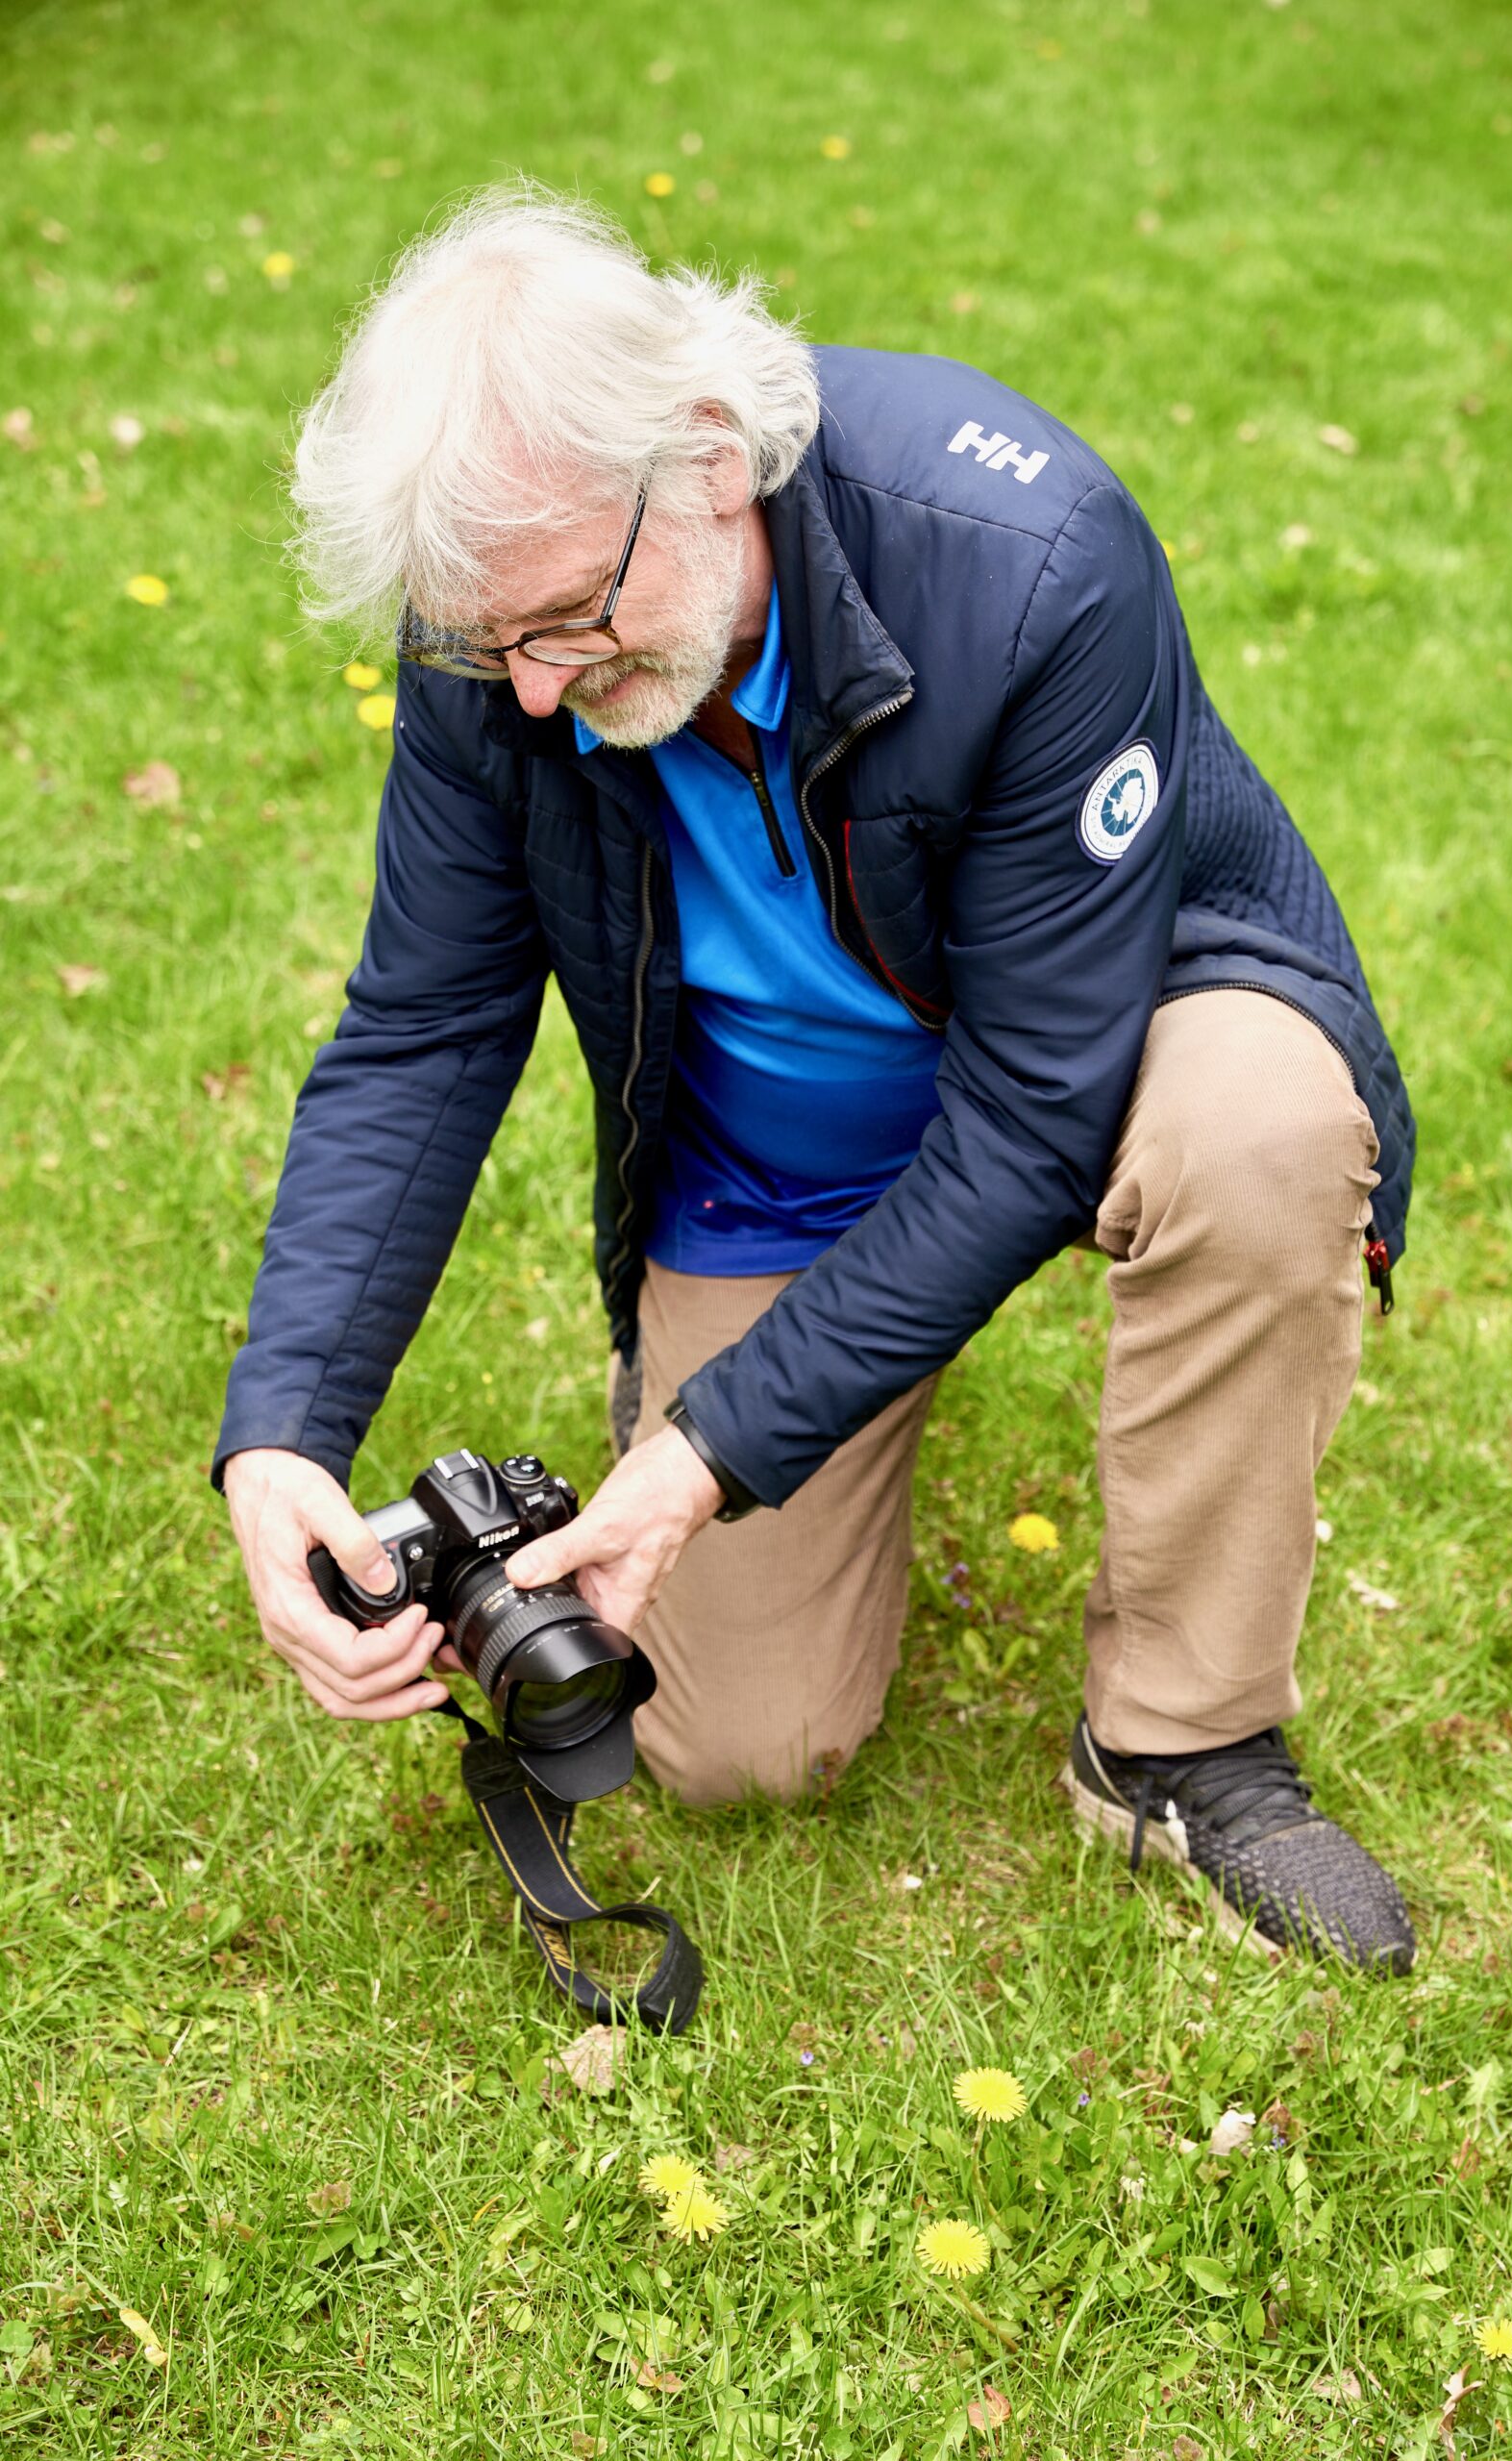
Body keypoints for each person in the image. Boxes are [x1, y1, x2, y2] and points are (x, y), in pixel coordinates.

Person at [219, 185, 1417, 1975]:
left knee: (1261, 1132)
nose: (536, 697)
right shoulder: (504, 631)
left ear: (706, 453)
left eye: (564, 621)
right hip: (785, 1157)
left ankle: (1183, 1739)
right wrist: (282, 1435)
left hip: (1098, 1044)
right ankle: (769, 1400)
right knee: (727, 1748)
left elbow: (1030, 1118)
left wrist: (705, 1453)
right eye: (491, 650)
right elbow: (424, 1029)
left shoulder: (1030, 562)